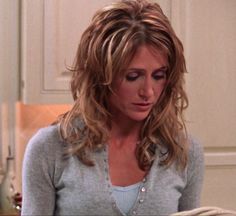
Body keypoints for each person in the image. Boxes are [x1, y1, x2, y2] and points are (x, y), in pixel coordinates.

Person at [21, 0, 204, 215]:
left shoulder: (185, 153)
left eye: (158, 76)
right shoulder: (49, 149)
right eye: (133, 76)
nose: (148, 91)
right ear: (101, 75)